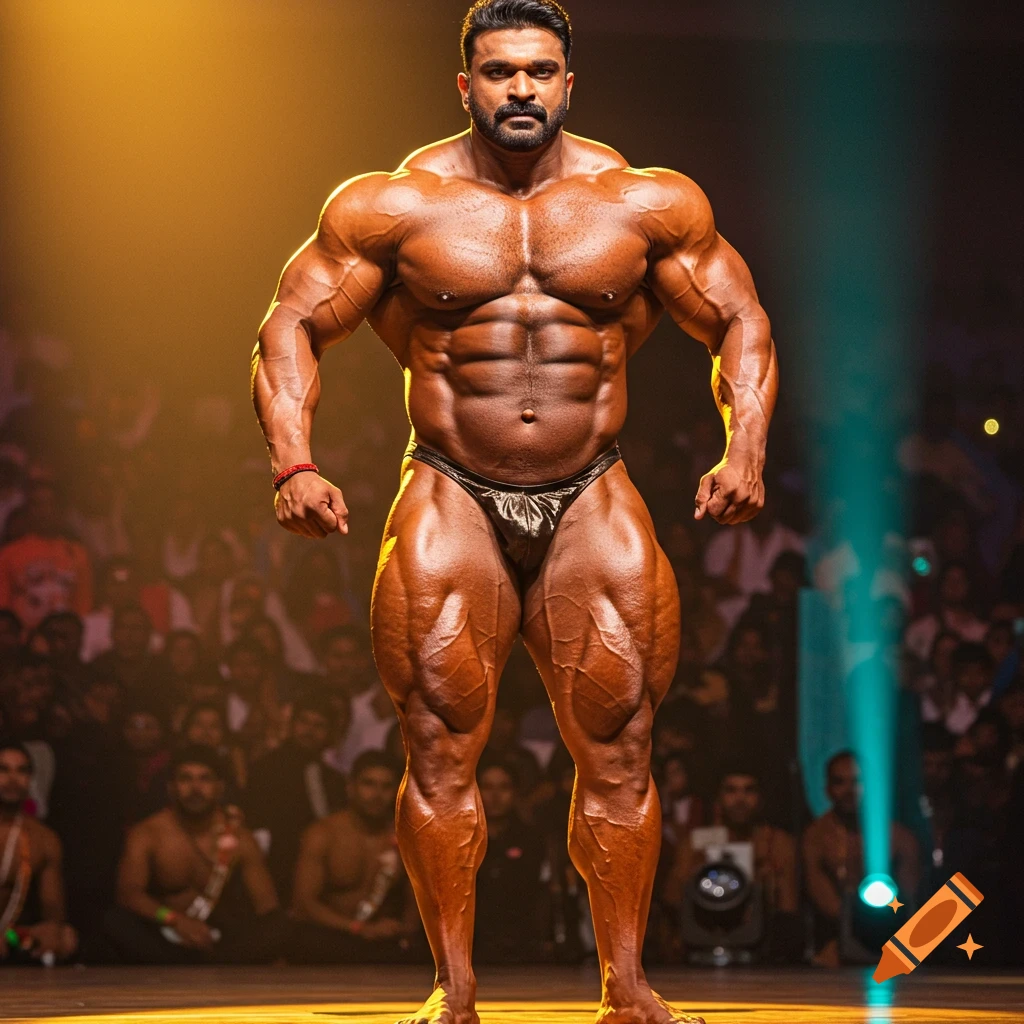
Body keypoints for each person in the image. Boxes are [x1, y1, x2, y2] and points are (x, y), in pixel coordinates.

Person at [251, 2, 776, 1020]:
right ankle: (452, 991)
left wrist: (743, 446)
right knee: (438, 744)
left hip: (590, 489)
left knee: (620, 746)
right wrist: (291, 464)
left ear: (569, 82)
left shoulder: (645, 204)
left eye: (539, 71)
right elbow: (290, 325)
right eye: (498, 73)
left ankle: (625, 987)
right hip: (452, 483)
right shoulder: (393, 206)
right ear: (466, 86)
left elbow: (739, 320)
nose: (520, 89)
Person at [103, 745, 286, 964]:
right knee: (115, 922)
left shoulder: (240, 839)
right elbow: (129, 894)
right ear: (171, 788)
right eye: (185, 779)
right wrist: (175, 920)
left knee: (281, 926)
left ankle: (217, 966)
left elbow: (267, 906)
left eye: (205, 779)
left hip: (219, 939)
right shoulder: (148, 833)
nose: (195, 788)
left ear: (220, 788)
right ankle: (185, 967)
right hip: (164, 935)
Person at [290, 750, 418, 963]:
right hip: (330, 938)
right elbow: (303, 904)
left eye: (386, 786)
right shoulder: (323, 835)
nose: (377, 794)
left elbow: (416, 901)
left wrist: (405, 932)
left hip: (382, 942)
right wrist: (358, 928)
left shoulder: (408, 839)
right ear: (350, 787)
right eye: (368, 784)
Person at [663, 764, 798, 960]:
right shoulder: (695, 843)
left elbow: (789, 914)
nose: (740, 800)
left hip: (763, 952)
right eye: (731, 790)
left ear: (761, 799)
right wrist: (693, 877)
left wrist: (769, 883)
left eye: (749, 790)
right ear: (718, 797)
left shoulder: (777, 844)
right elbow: (670, 902)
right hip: (703, 948)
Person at [801, 752, 920, 968]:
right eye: (840, 782)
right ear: (827, 789)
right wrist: (848, 938)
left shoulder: (900, 838)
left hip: (894, 940)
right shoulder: (816, 837)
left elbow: (911, 903)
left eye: (857, 781)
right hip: (835, 941)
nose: (849, 791)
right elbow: (820, 895)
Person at [244, 692, 346, 904]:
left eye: (319, 725)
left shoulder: (334, 780)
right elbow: (255, 826)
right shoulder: (265, 768)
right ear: (292, 724)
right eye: (304, 722)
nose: (309, 731)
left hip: (321, 876)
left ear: (329, 733)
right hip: (274, 870)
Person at [0, 740, 78, 963]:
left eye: (21, 771)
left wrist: (49, 930)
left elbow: (53, 913)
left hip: (9, 935)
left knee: (65, 937)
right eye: (3, 770)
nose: (12, 779)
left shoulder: (43, 838)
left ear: (30, 779)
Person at [473, 757, 546, 963]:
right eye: (487, 787)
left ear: (515, 793)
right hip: (473, 947)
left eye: (504, 787)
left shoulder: (532, 840)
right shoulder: (461, 839)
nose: (495, 796)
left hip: (523, 948)